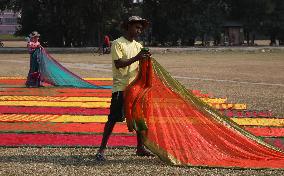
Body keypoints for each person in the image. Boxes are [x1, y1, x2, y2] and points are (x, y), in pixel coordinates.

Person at [95, 16, 153, 161]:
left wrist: (146, 59)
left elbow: (140, 64)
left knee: (139, 117)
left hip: (136, 88)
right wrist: (138, 57)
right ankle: (101, 149)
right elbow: (119, 64)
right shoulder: (117, 43)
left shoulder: (138, 46)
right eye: (136, 27)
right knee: (113, 118)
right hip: (121, 88)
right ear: (128, 27)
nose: (139, 30)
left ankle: (140, 148)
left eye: (140, 28)